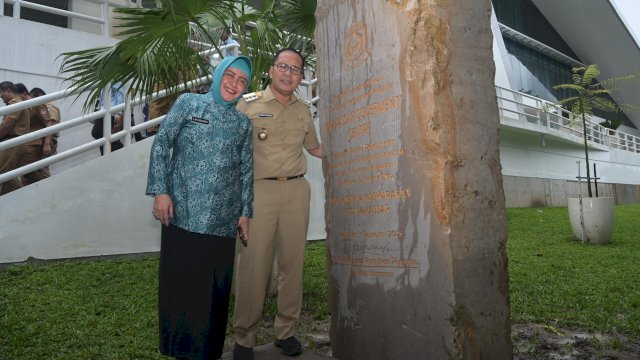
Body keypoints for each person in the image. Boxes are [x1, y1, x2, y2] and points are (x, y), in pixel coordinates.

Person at [146, 55, 254, 360]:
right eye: (230, 76)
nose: (234, 84)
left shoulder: (243, 123)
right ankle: (180, 351)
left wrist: (245, 212)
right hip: (183, 213)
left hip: (223, 221)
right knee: (182, 289)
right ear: (219, 74)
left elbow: (246, 169)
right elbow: (161, 142)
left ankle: (209, 352)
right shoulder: (188, 104)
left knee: (214, 294)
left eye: (242, 80)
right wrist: (160, 191)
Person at [232, 48, 322, 360]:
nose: (288, 73)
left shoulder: (303, 109)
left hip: (296, 191)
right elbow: (231, 152)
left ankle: (286, 332)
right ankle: (244, 337)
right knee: (253, 265)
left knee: (292, 264)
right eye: (283, 66)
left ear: (300, 77)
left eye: (295, 69)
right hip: (259, 193)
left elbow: (316, 148)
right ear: (272, 70)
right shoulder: (249, 104)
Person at [14, 84, 57, 186]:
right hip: (28, 143)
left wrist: (47, 143)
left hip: (38, 143)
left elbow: (49, 123)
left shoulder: (35, 104)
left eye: (17, 97)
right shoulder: (23, 106)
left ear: (24, 94)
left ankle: (46, 187)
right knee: (27, 174)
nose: (16, 100)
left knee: (26, 169)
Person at [0, 81, 30, 195]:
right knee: (6, 175)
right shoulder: (15, 104)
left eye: (1, 94)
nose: (1, 97)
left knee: (3, 174)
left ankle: (25, 196)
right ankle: (23, 197)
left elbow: (7, 126)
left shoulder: (16, 104)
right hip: (12, 142)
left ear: (8, 90)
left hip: (13, 142)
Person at [92, 82, 125, 154]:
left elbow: (120, 93)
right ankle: (106, 156)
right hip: (103, 110)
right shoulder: (104, 77)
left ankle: (117, 146)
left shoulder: (113, 76)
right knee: (101, 135)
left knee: (97, 133)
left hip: (110, 111)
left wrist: (118, 112)